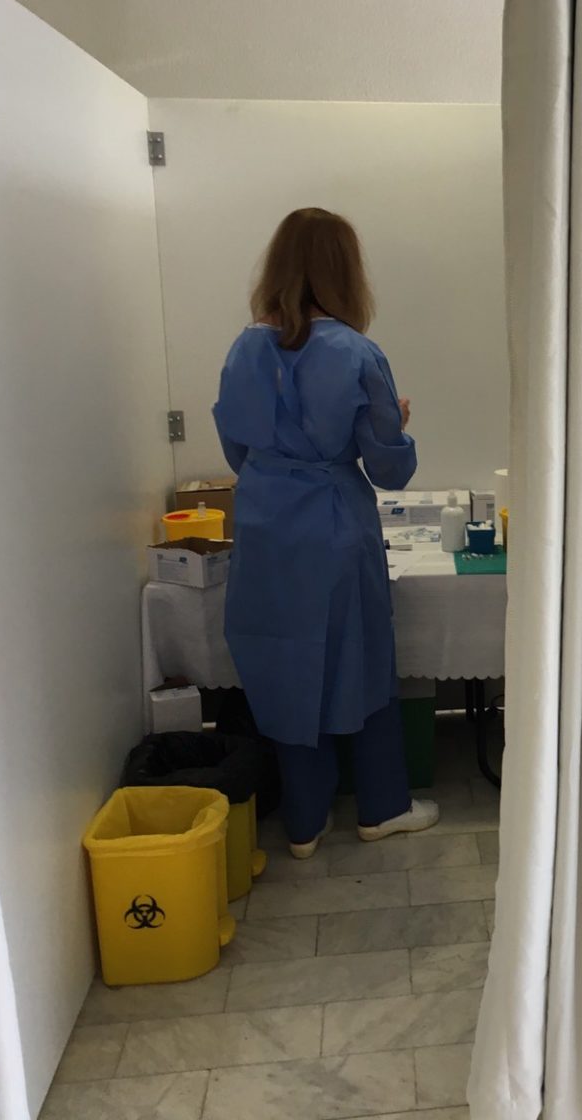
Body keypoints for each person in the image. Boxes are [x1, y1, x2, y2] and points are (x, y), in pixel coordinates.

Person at [213, 207, 439, 858]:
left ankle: (305, 822)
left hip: (263, 521)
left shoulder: (244, 348)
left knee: (283, 661)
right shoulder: (357, 352)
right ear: (346, 271)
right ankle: (382, 807)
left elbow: (237, 452)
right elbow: (390, 470)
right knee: (360, 656)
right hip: (335, 522)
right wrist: (395, 425)